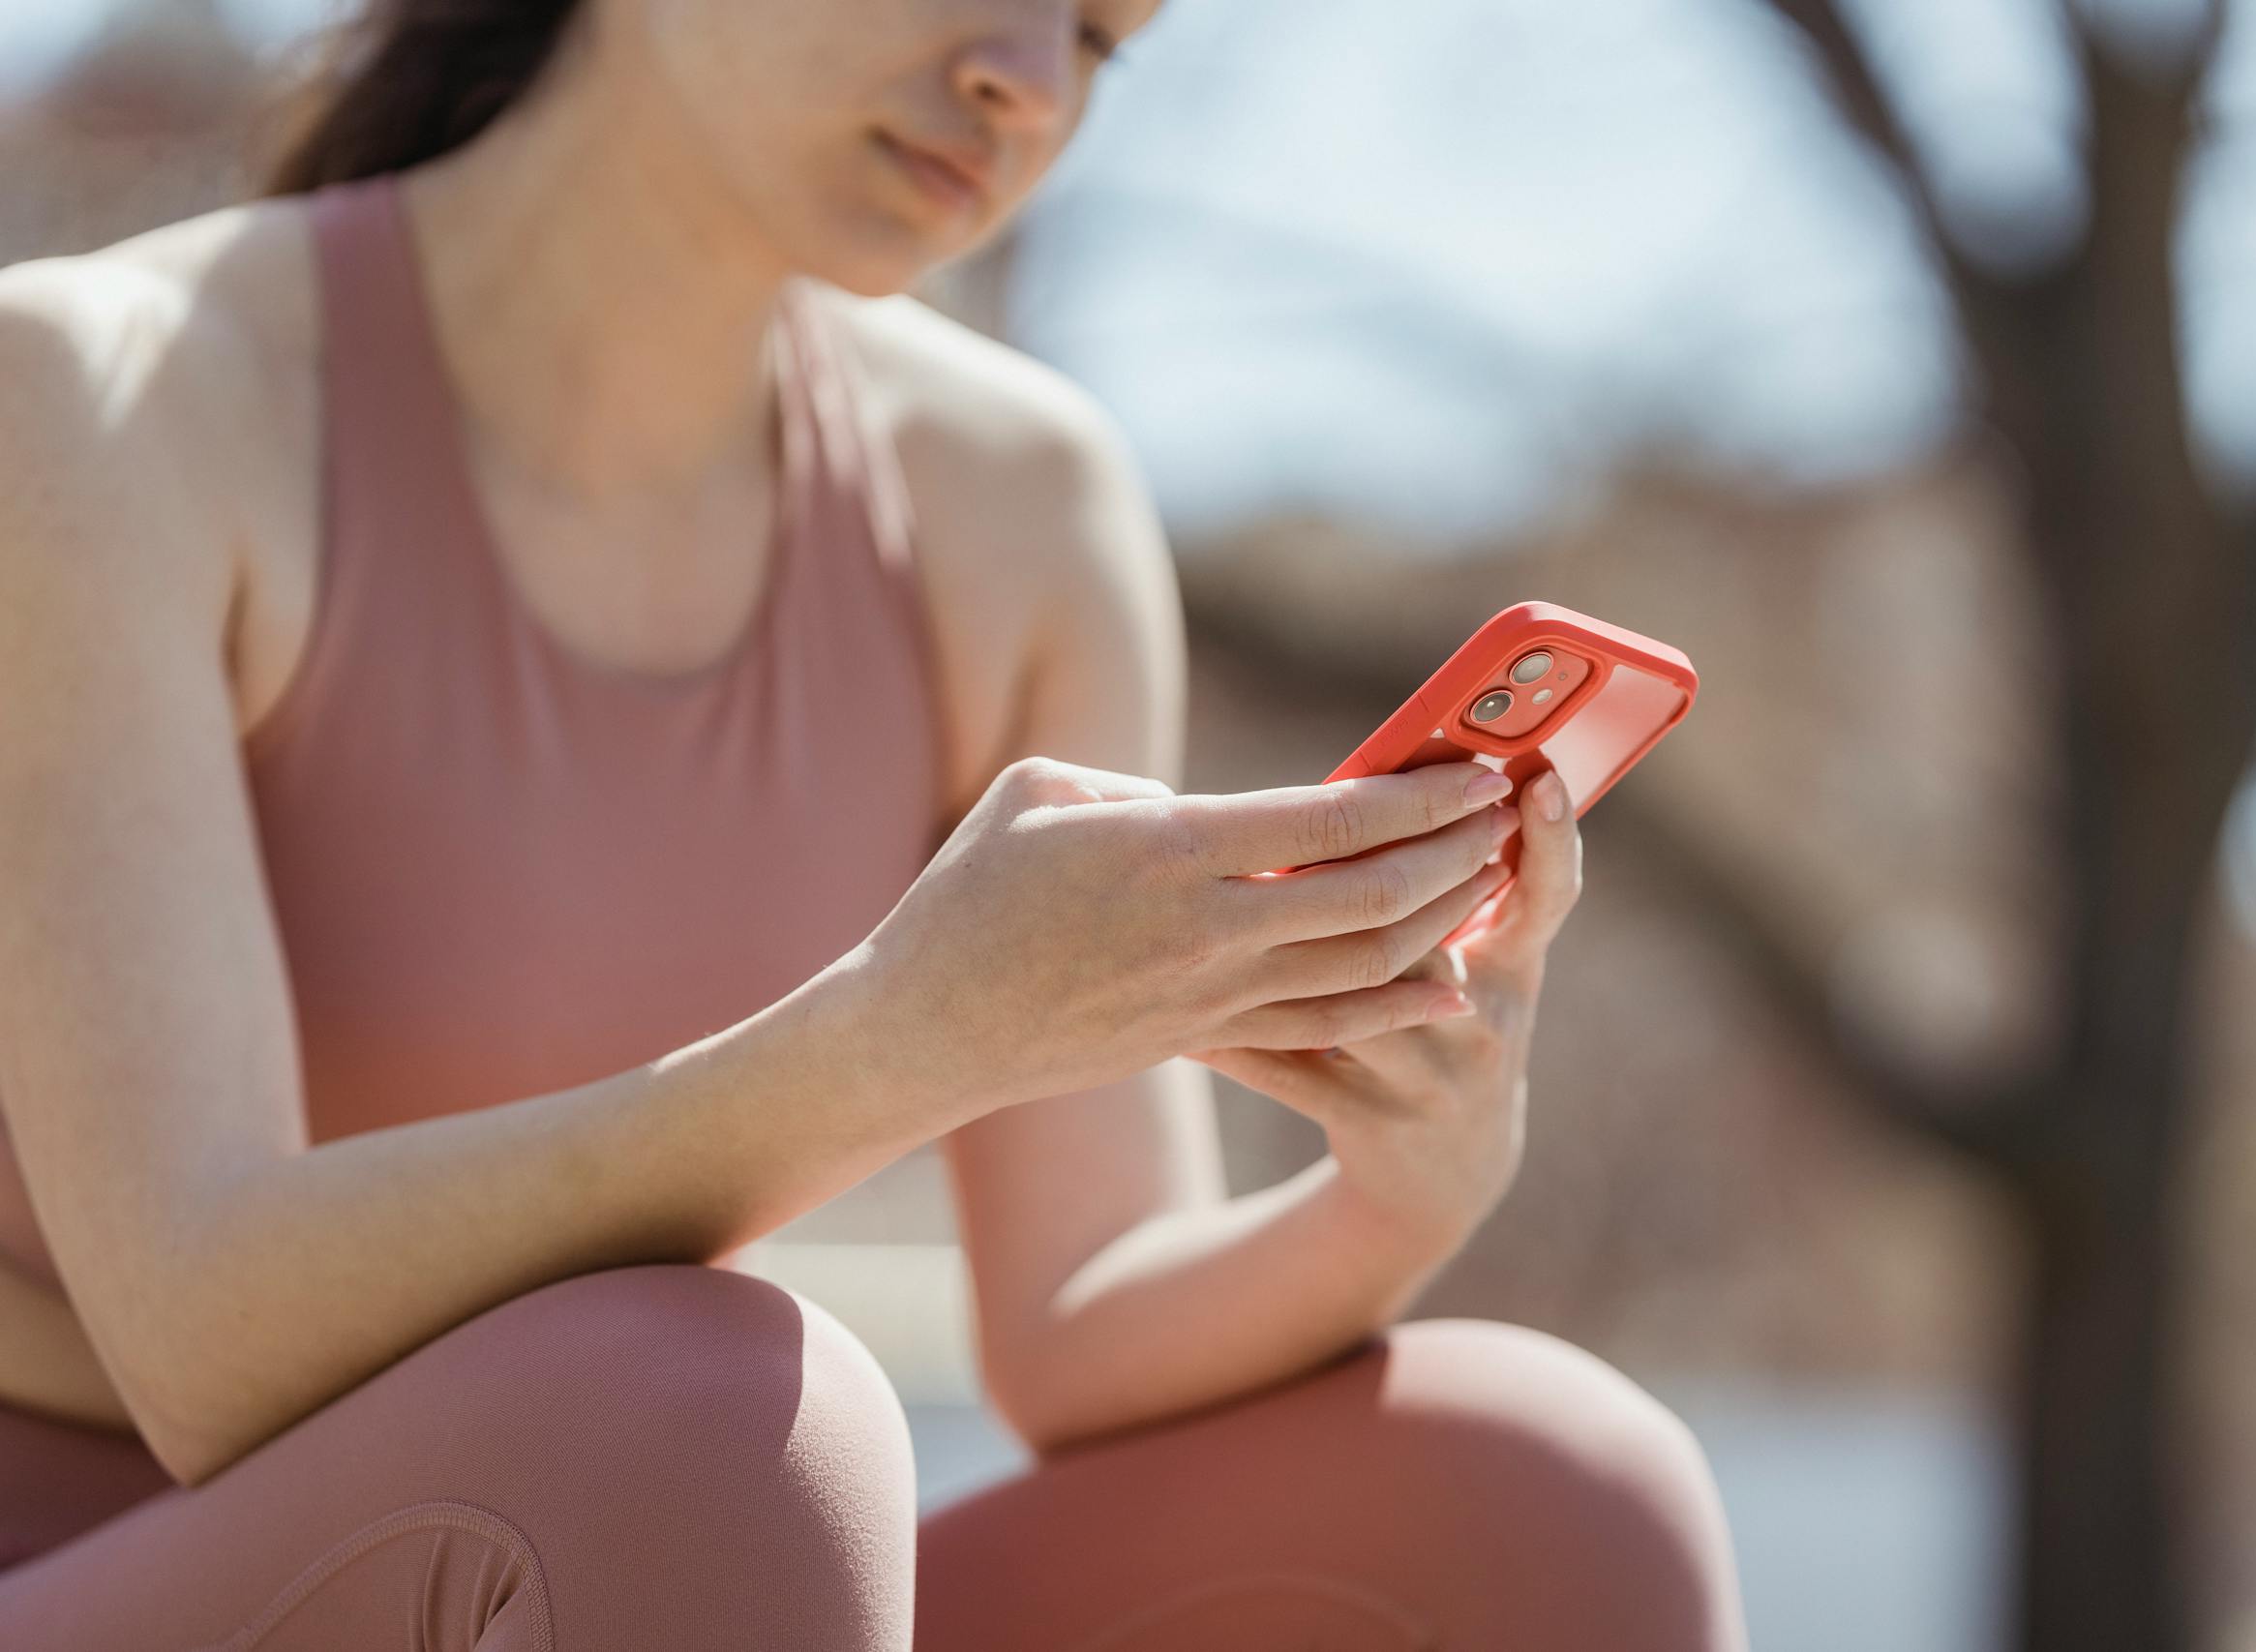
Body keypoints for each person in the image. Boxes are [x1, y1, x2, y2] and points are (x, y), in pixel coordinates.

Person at [0, 1, 1749, 1645]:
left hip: (647, 1564)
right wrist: (898, 1043)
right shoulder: (106, 397)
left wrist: (1398, 1194)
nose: (1030, 84)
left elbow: (1080, 1330)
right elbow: (201, 1340)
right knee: (701, 1417)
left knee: (1549, 1490)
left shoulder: (1019, 508)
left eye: (1096, 38)